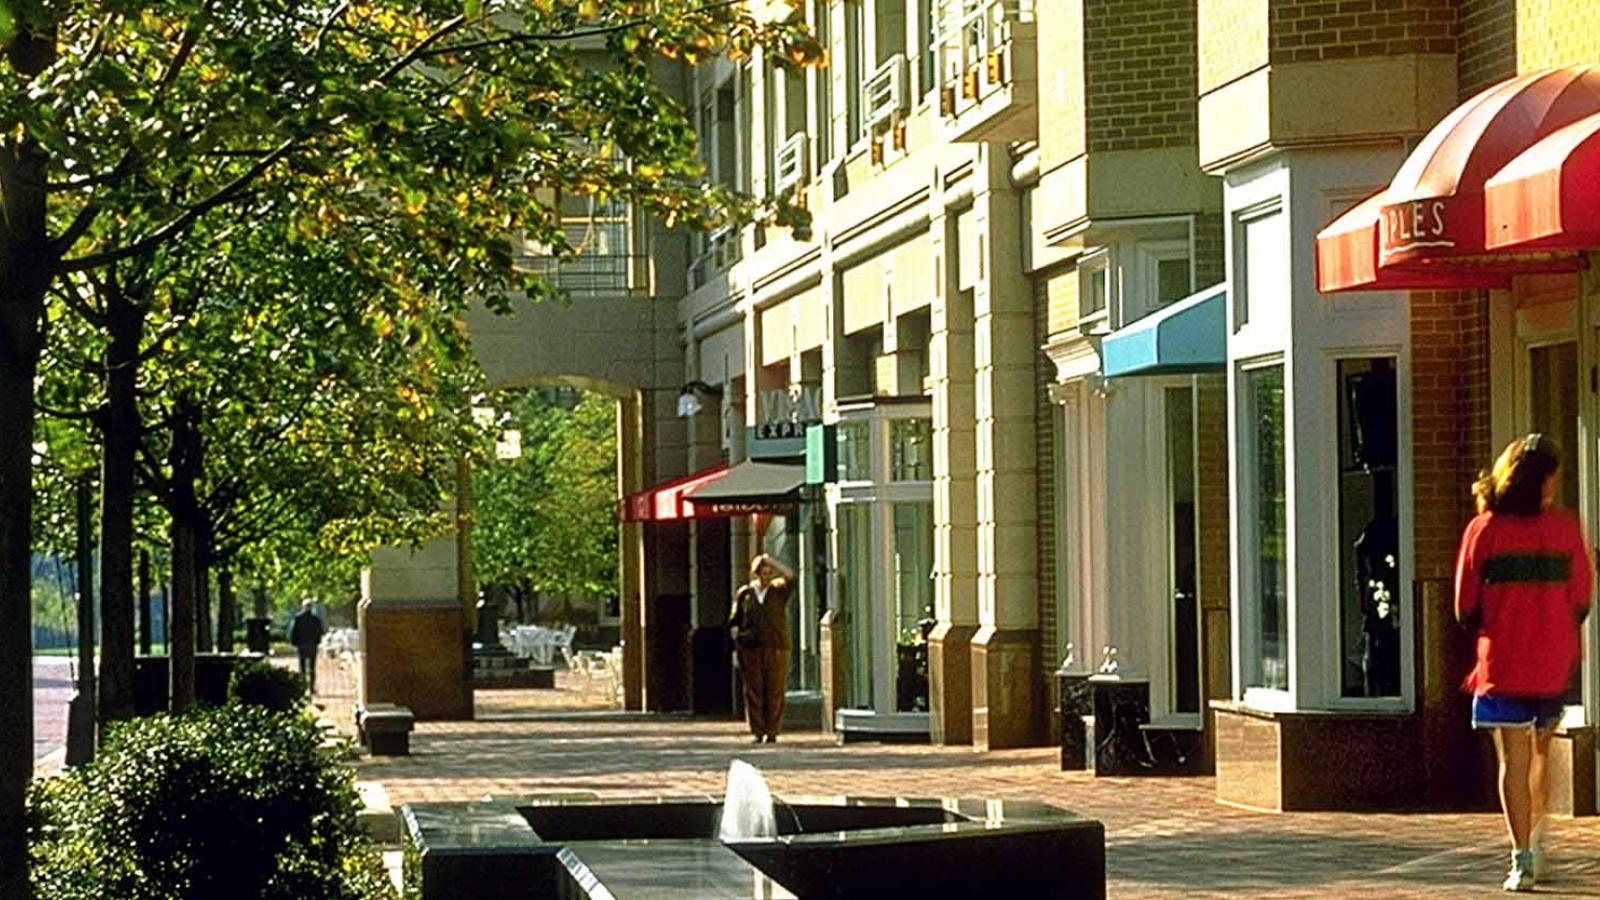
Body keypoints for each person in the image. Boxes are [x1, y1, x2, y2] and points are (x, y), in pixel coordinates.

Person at [1454, 434, 1592, 892]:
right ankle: (1537, 837)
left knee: (1512, 760)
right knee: (1541, 755)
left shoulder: (1484, 529)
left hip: (1502, 662)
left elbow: (1464, 604)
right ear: (1543, 481)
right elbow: (1581, 597)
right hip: (1553, 661)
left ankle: (1521, 858)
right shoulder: (1565, 529)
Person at [728, 553, 795, 744]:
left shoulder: (779, 590)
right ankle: (757, 731)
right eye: (762, 574)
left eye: (768, 573)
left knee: (775, 689)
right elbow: (735, 618)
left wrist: (771, 560)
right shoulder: (746, 593)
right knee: (754, 690)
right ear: (755, 574)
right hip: (751, 647)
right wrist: (736, 633)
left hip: (777, 646)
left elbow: (792, 576)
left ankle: (772, 730)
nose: (766, 578)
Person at [289, 600, 326, 694]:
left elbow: (294, 632)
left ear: (303, 607)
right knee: (312, 667)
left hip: (301, 645)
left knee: (302, 667)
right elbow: (320, 632)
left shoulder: (298, 618)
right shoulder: (316, 619)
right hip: (312, 645)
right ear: (312, 607)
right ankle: (311, 688)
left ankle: (302, 686)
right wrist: (317, 642)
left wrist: (294, 643)